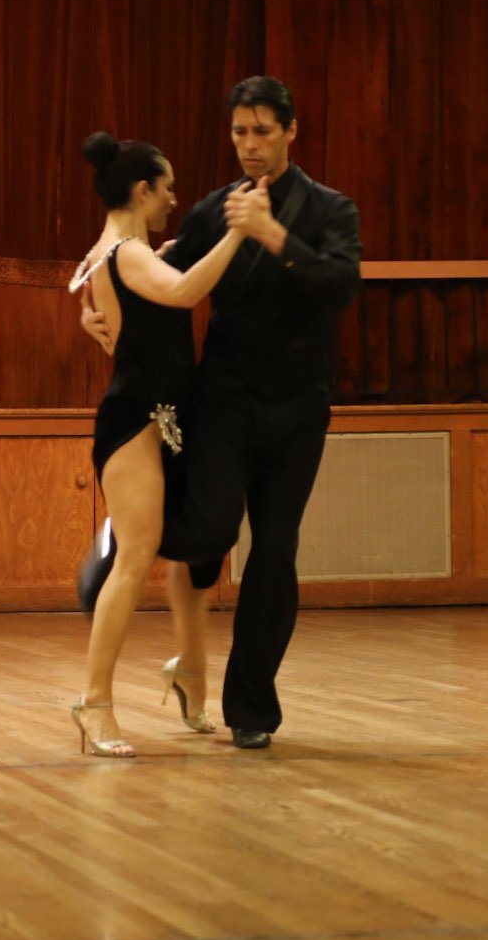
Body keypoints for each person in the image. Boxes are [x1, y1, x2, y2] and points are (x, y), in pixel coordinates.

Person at [81, 77, 362, 750]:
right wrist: (94, 309)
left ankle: (251, 710)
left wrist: (273, 236)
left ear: (290, 131)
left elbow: (339, 285)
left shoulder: (330, 209)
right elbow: (143, 264)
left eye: (262, 131)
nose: (249, 144)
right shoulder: (215, 209)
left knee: (275, 552)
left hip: (298, 406)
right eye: (240, 132)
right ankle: (121, 543)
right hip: (225, 400)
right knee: (206, 534)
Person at [67, 131, 253, 757]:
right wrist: (238, 233)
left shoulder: (123, 252)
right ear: (142, 190)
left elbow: (128, 285)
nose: (175, 198)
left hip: (169, 418)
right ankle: (94, 703)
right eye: (167, 188)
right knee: (137, 556)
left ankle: (191, 673)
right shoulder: (124, 253)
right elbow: (182, 292)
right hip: (135, 424)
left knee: (198, 551)